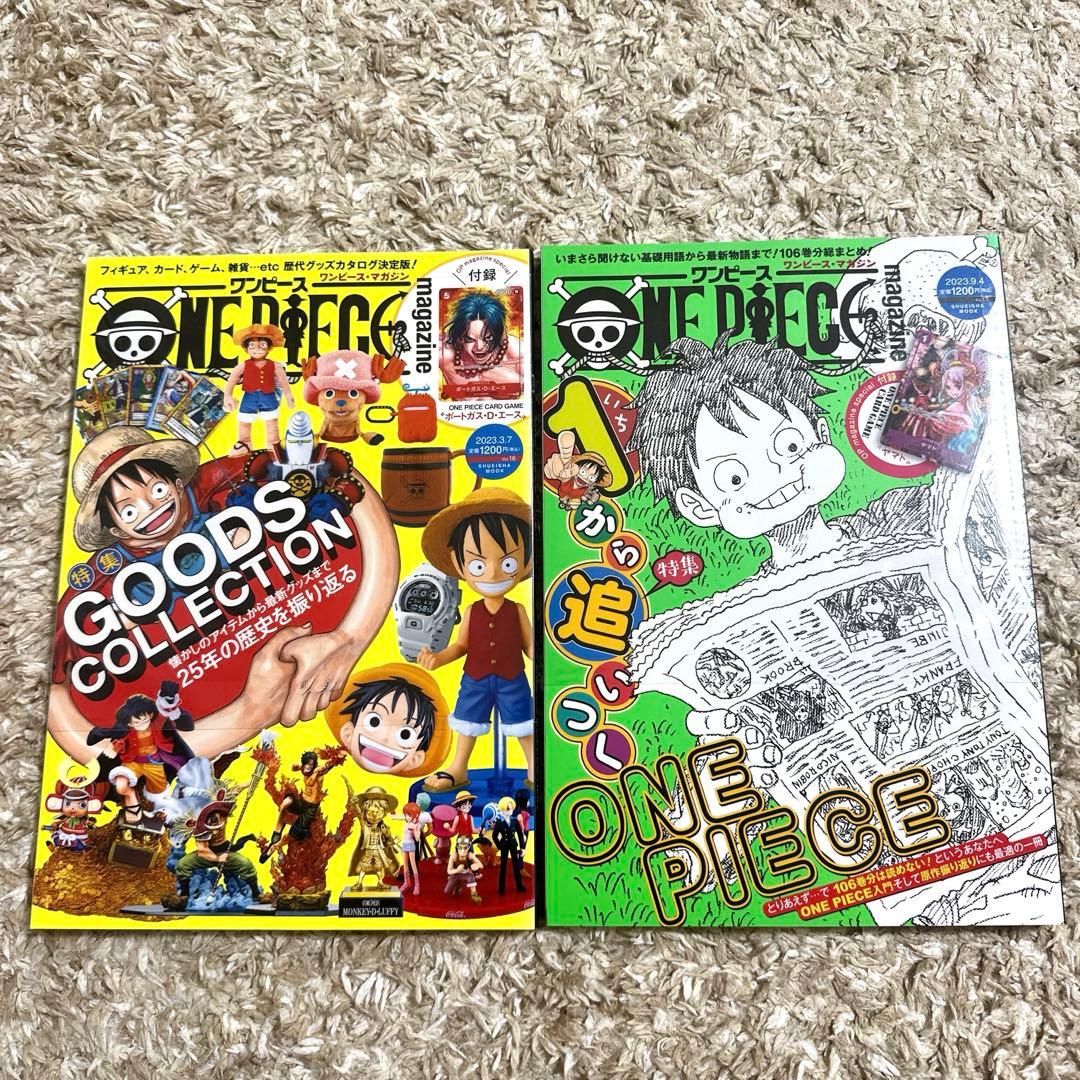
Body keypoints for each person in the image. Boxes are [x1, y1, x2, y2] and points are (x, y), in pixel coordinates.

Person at [416, 489, 533, 792]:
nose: (492, 574)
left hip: (512, 679)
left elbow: (531, 647)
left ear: (527, 560)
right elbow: (461, 646)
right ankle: (459, 766)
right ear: (459, 564)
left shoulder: (517, 610)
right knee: (467, 722)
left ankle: (535, 765)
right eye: (479, 565)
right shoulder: (471, 611)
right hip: (476, 679)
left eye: (507, 563)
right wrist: (438, 658)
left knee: (523, 723)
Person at [223, 323, 295, 455]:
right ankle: (244, 442)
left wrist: (289, 396)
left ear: (269, 348)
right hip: (249, 397)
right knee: (244, 421)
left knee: (272, 423)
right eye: (252, 345)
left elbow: (283, 381)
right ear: (246, 349)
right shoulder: (243, 365)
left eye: (262, 345)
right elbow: (232, 379)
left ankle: (273, 444)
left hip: (268, 396)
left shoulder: (275, 365)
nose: (257, 349)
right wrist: (227, 395)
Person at [491, 796, 526, 895]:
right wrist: (499, 846)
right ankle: (501, 888)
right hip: (504, 845)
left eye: (511, 808)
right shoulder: (499, 822)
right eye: (507, 808)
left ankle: (519, 885)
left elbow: (520, 834)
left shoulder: (515, 821)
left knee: (516, 865)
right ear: (502, 810)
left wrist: (522, 847)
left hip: (513, 844)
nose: (510, 810)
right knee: (503, 867)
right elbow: (494, 836)